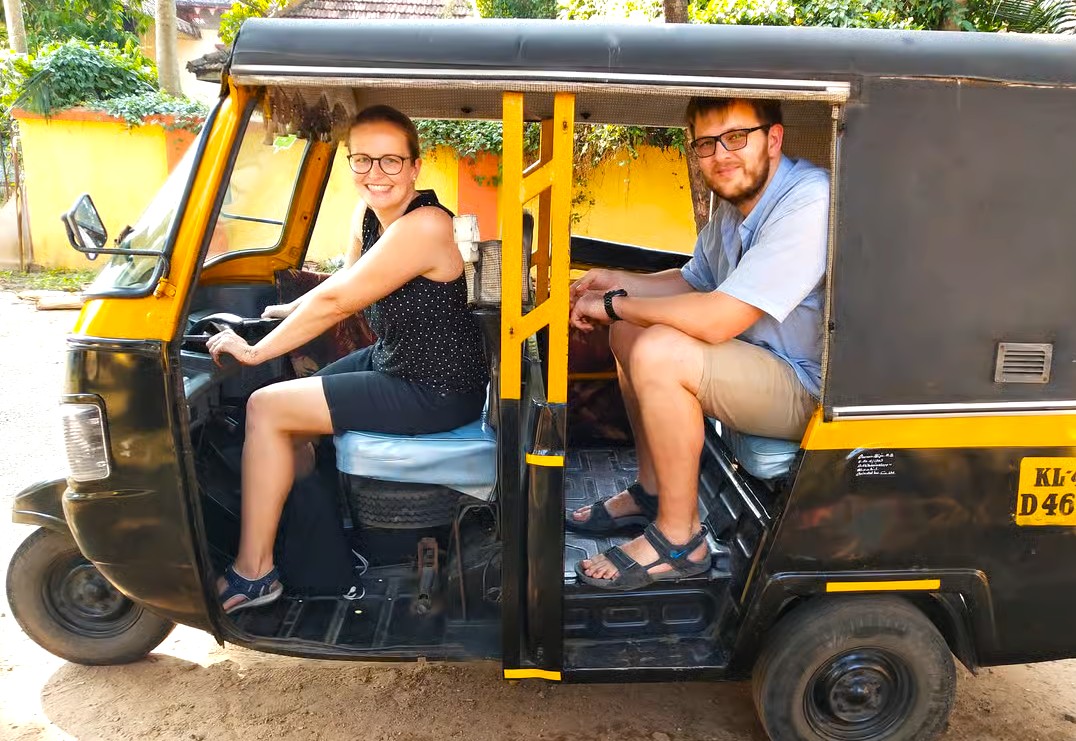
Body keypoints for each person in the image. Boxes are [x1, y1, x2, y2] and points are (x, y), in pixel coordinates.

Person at [206, 105, 490, 613]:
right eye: (362, 161)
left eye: (390, 162)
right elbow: (344, 280)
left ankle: (254, 574)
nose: (375, 175)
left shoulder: (425, 225)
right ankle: (315, 550)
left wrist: (255, 351)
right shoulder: (371, 218)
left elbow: (339, 304)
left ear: (415, 167)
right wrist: (289, 307)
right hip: (394, 361)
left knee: (265, 408)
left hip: (437, 387)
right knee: (282, 416)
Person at [566, 96, 829, 591]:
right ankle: (652, 492)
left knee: (659, 349)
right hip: (761, 365)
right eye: (706, 144)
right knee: (629, 333)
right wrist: (611, 282)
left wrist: (616, 303)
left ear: (773, 139)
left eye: (735, 137)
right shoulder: (734, 208)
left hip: (809, 388)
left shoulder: (807, 202)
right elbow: (691, 282)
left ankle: (681, 539)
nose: (721, 155)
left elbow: (718, 318)